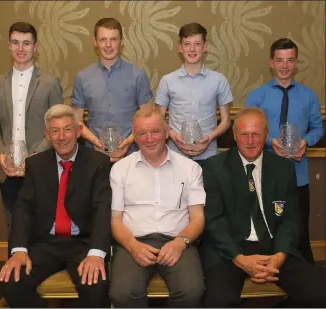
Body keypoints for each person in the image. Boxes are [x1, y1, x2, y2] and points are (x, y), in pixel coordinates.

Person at [199, 107, 326, 307]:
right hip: (230, 250)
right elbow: (214, 222)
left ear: (266, 135)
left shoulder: (283, 167)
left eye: (256, 134)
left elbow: (291, 219)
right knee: (219, 301)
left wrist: (279, 256)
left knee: (319, 294)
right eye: (244, 135)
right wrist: (240, 259)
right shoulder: (214, 167)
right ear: (234, 135)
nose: (250, 141)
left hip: (275, 246)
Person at [0, 104, 111, 308]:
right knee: (12, 283)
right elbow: (22, 209)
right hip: (46, 243)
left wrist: (96, 254)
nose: (62, 136)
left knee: (96, 286)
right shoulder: (36, 165)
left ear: (78, 131)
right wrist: (19, 250)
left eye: (68, 129)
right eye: (55, 130)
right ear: (47, 135)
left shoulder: (98, 162)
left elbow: (102, 210)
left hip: (83, 244)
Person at [109, 105, 205, 307]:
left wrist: (180, 242)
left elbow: (197, 218)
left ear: (167, 132)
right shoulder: (120, 170)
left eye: (155, 131)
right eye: (142, 134)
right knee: (123, 293)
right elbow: (115, 220)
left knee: (191, 292)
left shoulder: (190, 168)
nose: (149, 139)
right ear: (134, 137)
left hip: (178, 241)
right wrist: (133, 246)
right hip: (133, 242)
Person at [245, 38, 324, 264]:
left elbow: (318, 127)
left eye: (290, 60)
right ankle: (266, 273)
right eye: (279, 60)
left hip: (297, 174)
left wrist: (305, 142)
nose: (285, 66)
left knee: (299, 231)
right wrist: (270, 141)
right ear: (271, 63)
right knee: (266, 229)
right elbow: (248, 129)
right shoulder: (257, 96)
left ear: (296, 63)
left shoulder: (309, 96)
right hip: (264, 174)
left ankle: (306, 283)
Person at [0, 22, 63, 235]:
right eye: (15, 42)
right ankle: (14, 269)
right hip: (8, 171)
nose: (20, 48)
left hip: (41, 168)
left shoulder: (50, 83)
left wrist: (36, 155)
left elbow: (58, 126)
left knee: (42, 227)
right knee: (14, 228)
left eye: (26, 43)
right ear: (9, 45)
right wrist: (1, 153)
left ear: (35, 47)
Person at [71, 17, 153, 162]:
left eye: (113, 39)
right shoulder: (82, 77)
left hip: (132, 155)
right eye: (103, 39)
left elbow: (148, 119)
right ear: (95, 42)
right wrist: (95, 142)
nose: (108, 45)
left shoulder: (138, 75)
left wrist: (127, 142)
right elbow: (76, 120)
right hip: (93, 156)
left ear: (121, 42)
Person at [155, 22, 232, 165]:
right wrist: (173, 136)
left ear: (205, 47)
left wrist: (210, 138)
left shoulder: (219, 80)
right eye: (187, 44)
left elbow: (226, 120)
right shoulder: (167, 81)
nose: (192, 49)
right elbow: (158, 118)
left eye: (197, 43)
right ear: (180, 47)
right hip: (175, 156)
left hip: (209, 157)